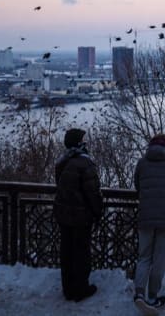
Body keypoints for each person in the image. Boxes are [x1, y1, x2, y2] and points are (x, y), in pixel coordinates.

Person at [133, 132, 165, 313]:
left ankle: (139, 294)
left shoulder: (142, 163)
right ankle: (153, 296)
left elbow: (137, 186)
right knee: (159, 259)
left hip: (145, 214)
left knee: (144, 256)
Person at [54, 127, 104, 302]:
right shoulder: (85, 163)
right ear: (78, 143)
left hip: (63, 214)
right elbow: (92, 192)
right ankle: (81, 288)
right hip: (81, 216)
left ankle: (68, 287)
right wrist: (98, 211)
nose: (85, 143)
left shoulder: (62, 161)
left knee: (66, 251)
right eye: (82, 140)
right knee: (81, 252)